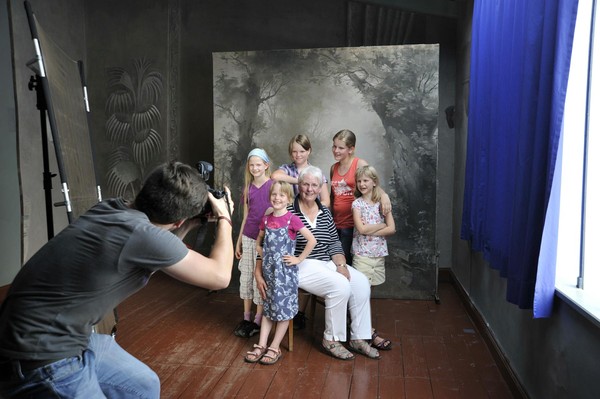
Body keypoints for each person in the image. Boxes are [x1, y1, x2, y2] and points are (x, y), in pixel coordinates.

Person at [0, 161, 234, 398]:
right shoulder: (142, 235)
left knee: (144, 385)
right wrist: (225, 217)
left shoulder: (112, 209)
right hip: (41, 357)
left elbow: (153, 257)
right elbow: (220, 277)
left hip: (56, 335)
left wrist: (190, 223)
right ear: (177, 221)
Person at [259, 166, 382, 360]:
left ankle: (359, 337)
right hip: (300, 264)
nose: (309, 189)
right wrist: (259, 272)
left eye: (314, 185)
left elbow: (334, 241)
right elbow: (267, 243)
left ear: (319, 188)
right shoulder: (287, 209)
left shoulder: (324, 211)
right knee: (340, 285)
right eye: (305, 184)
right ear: (299, 186)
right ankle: (331, 339)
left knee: (360, 282)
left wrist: (341, 265)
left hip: (327, 262)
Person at [244, 181, 316, 365]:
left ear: (289, 199)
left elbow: (311, 240)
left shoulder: (292, 219)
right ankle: (261, 344)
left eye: (281, 195)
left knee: (282, 310)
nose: (277, 198)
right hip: (269, 272)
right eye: (274, 194)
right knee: (268, 307)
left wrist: (298, 259)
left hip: (285, 274)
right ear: (270, 197)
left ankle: (274, 347)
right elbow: (259, 240)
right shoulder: (266, 219)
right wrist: (261, 250)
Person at [271, 134, 330, 330]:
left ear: (309, 151)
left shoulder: (318, 173)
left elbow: (326, 202)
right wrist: (300, 180)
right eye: (294, 151)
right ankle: (286, 308)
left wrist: (309, 209)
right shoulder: (287, 169)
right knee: (288, 266)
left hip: (307, 222)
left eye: (302, 151)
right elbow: (275, 176)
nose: (298, 155)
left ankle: (299, 313)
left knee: (305, 264)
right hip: (288, 223)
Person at [329, 129, 391, 265]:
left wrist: (384, 195)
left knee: (347, 263)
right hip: (336, 224)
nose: (336, 150)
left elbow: (373, 183)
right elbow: (332, 196)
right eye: (334, 146)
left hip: (353, 224)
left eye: (341, 148)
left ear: (351, 149)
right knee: (335, 262)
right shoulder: (333, 168)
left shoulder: (359, 164)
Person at [352, 165, 395, 351]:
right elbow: (361, 229)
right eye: (359, 181)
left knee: (368, 293)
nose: (362, 184)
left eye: (366, 181)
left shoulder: (382, 203)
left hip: (378, 254)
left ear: (374, 182)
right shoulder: (357, 204)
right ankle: (366, 331)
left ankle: (359, 327)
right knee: (361, 293)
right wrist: (380, 224)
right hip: (362, 254)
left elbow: (392, 228)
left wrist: (375, 226)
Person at [233, 148, 273, 338]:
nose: (255, 168)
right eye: (252, 165)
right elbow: (246, 216)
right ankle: (246, 318)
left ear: (266, 165)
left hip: (265, 239)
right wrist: (238, 241)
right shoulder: (248, 188)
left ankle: (258, 319)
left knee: (260, 279)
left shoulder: (273, 186)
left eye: (258, 164)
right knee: (246, 278)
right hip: (248, 237)